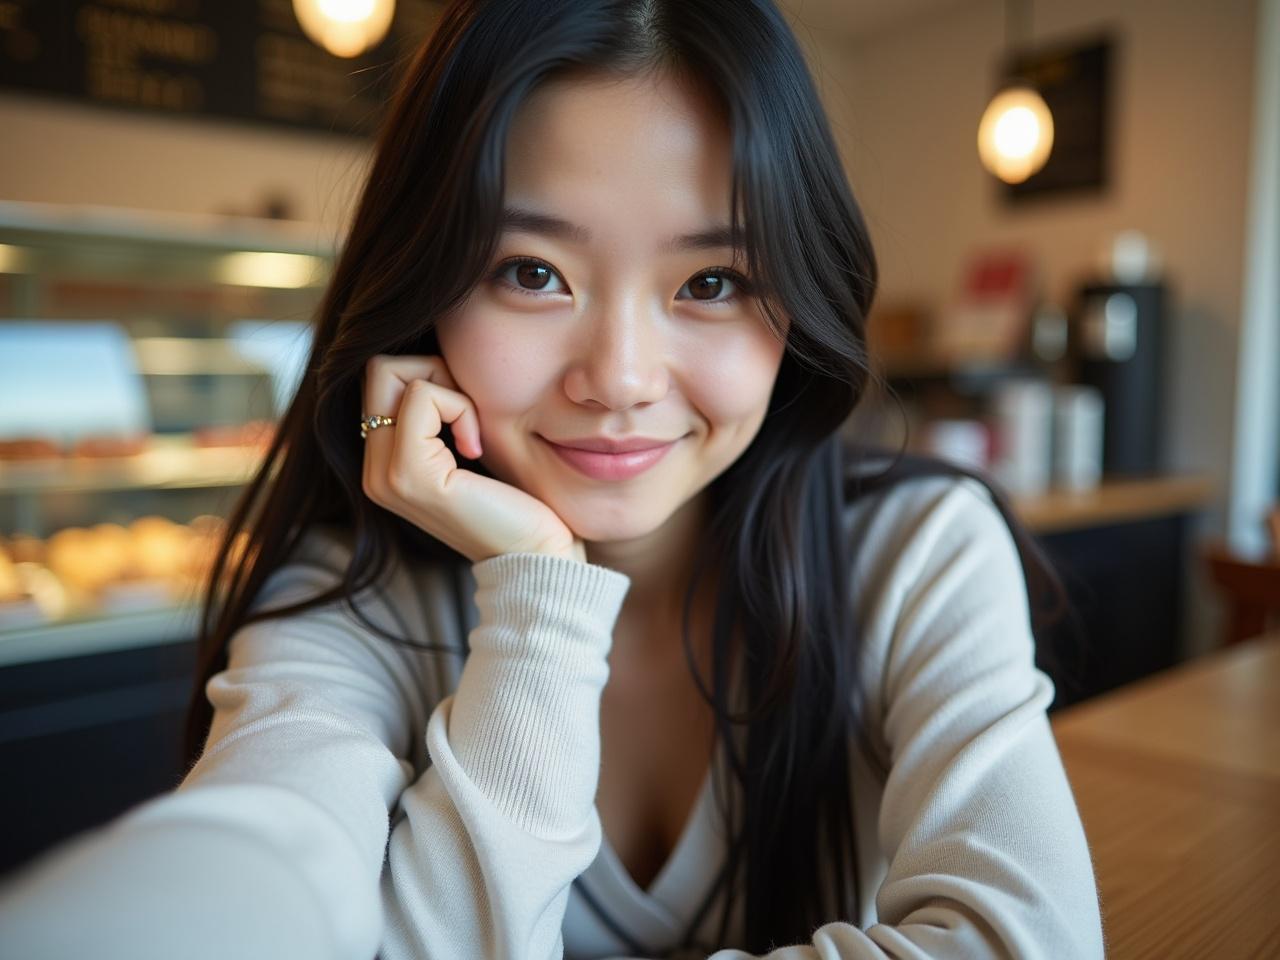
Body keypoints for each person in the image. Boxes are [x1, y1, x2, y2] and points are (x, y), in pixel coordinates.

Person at [0, 1, 1104, 957]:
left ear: (797, 307)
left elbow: (1030, 941)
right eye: (531, 273)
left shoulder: (912, 555)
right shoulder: (354, 600)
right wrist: (537, 589)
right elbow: (262, 852)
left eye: (712, 279)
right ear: (426, 290)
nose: (619, 378)